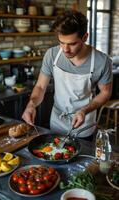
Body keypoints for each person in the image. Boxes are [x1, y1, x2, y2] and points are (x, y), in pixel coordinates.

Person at [22, 10, 112, 141]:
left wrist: (84, 111)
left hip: (84, 123)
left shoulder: (101, 61)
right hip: (57, 121)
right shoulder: (52, 55)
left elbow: (105, 93)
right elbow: (41, 87)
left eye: (72, 44)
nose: (65, 49)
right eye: (61, 42)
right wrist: (31, 105)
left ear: (85, 37)